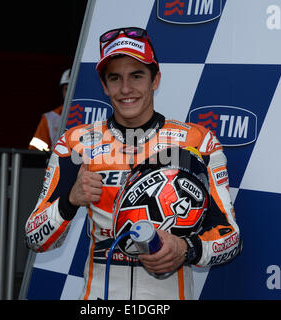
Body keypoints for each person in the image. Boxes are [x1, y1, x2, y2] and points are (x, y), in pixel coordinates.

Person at [25, 27, 241, 300]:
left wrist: (186, 249)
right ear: (104, 85)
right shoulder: (76, 143)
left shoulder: (197, 142)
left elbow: (231, 239)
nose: (126, 89)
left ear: (155, 80)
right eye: (115, 78)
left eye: (136, 75)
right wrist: (70, 201)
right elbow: (35, 239)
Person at [28, 68, 71, 152]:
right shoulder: (50, 118)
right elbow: (35, 150)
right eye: (66, 89)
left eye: (74, 88)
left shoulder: (90, 113)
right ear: (62, 91)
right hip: (54, 163)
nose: (70, 92)